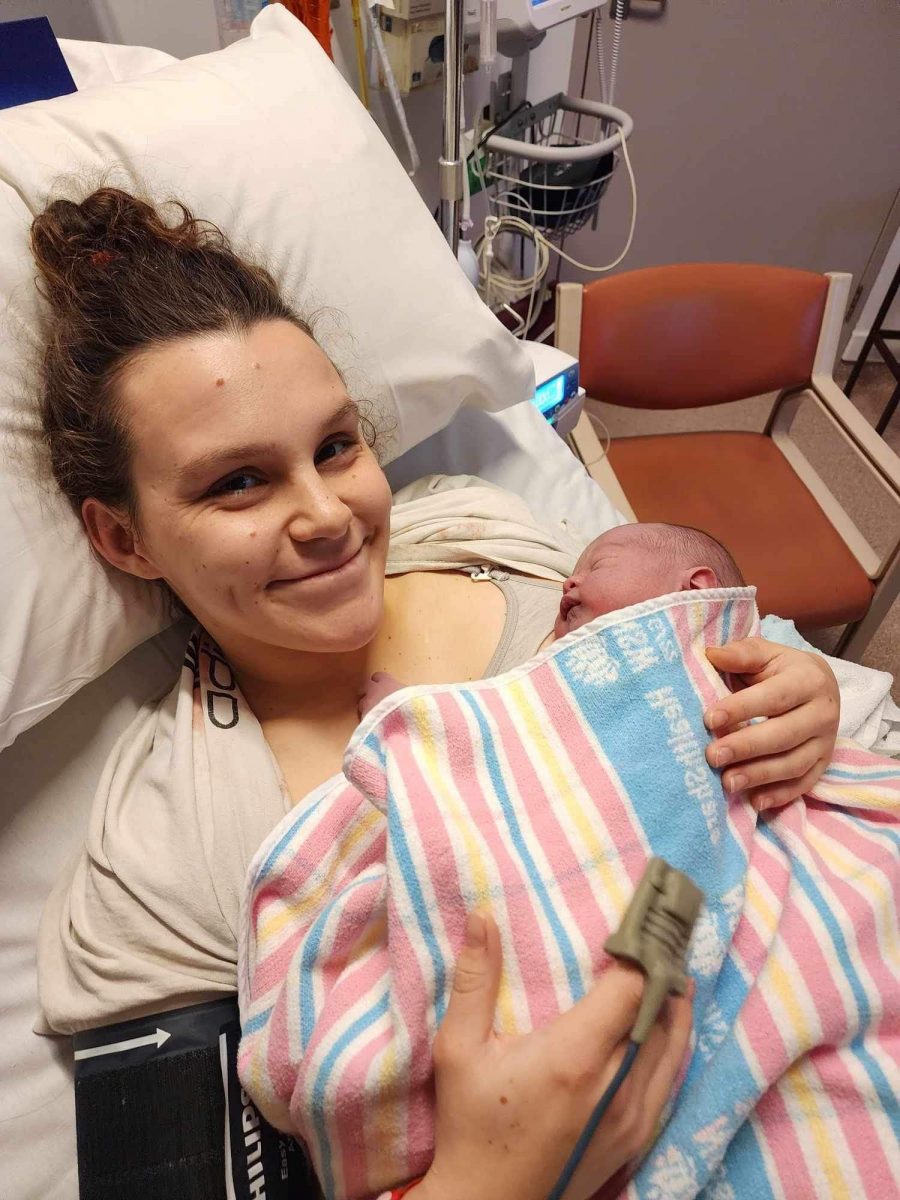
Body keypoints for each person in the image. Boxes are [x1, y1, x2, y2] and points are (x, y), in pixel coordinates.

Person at [31, 188, 840, 1196]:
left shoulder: (475, 524)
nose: (327, 516)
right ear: (123, 538)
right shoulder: (165, 849)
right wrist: (486, 1180)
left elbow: (689, 681)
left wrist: (795, 695)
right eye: (238, 482)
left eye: (335, 446)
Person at [360, 520, 747, 719]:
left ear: (695, 590)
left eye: (600, 564)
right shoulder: (571, 676)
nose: (567, 582)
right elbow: (516, 737)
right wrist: (412, 718)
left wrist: (409, 718)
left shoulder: (744, 676)